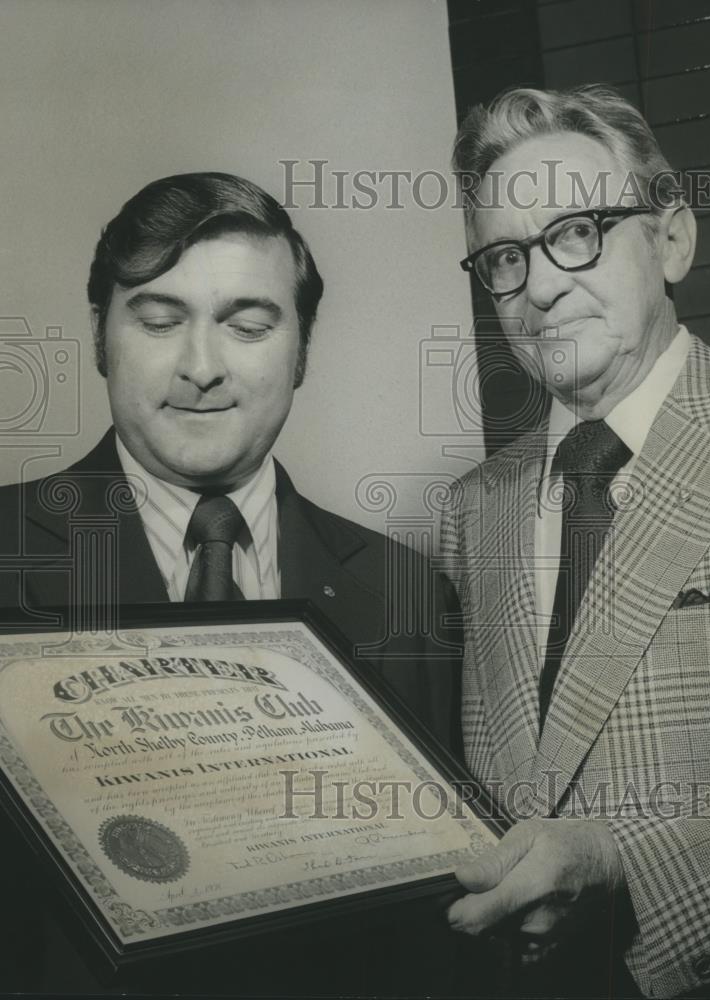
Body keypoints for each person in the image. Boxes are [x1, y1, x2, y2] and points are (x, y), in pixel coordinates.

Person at [0, 171, 462, 995]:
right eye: (159, 321)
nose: (202, 367)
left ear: (304, 352)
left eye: (247, 325)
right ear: (100, 335)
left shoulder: (410, 596)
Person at [441, 86, 710, 998]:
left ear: (671, 241)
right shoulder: (470, 512)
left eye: (576, 230)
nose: (540, 285)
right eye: (506, 256)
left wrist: (624, 865)